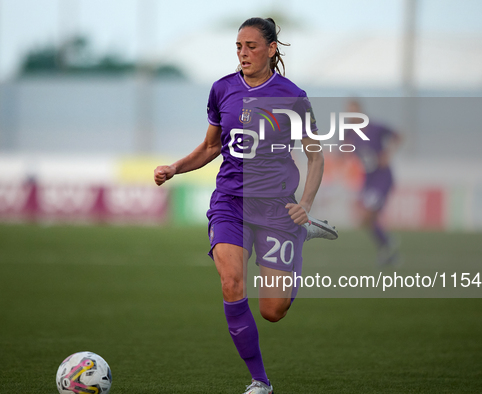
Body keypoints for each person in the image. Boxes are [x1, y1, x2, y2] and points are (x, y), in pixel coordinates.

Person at [154, 17, 336, 394]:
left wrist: (304, 204)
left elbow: (316, 157)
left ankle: (299, 235)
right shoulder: (222, 89)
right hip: (230, 202)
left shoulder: (293, 96)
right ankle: (260, 381)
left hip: (275, 208)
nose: (243, 53)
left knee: (273, 311)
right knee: (232, 281)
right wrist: (175, 168)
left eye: (251, 46)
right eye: (238, 46)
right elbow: (210, 147)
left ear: (271, 49)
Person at [344, 99, 402, 267]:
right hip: (368, 180)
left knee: (368, 216)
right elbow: (344, 152)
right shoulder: (350, 134)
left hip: (382, 178)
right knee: (365, 221)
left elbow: (398, 135)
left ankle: (388, 243)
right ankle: (388, 247)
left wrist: (387, 154)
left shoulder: (375, 128)